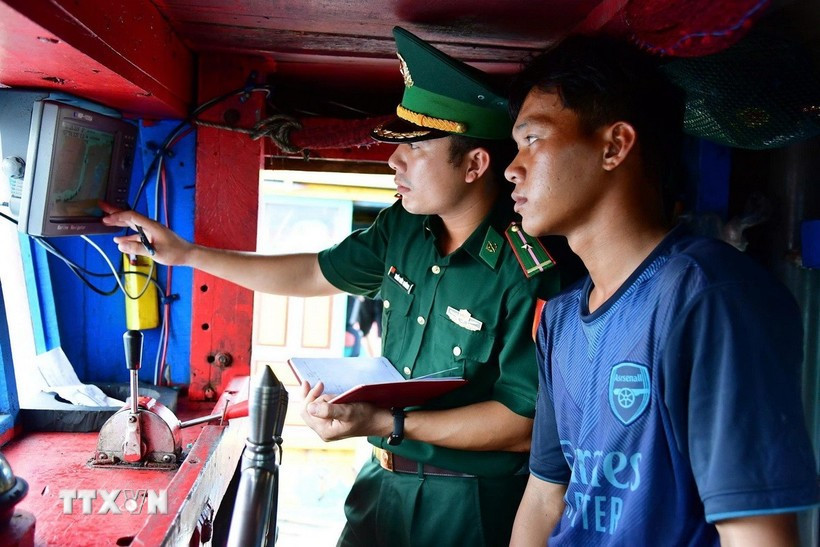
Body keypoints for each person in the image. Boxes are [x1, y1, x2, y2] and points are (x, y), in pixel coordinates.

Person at [103, 27, 566, 546]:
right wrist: (188, 255)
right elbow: (314, 273)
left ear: (476, 165)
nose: (393, 162)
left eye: (413, 148)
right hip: (378, 485)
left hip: (469, 507)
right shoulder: (405, 228)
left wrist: (385, 421)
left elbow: (523, 423)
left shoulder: (530, 267)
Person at [504, 34, 820, 546]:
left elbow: (757, 534)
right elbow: (545, 497)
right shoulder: (561, 319)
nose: (512, 167)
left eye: (533, 140)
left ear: (614, 146)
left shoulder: (708, 296)